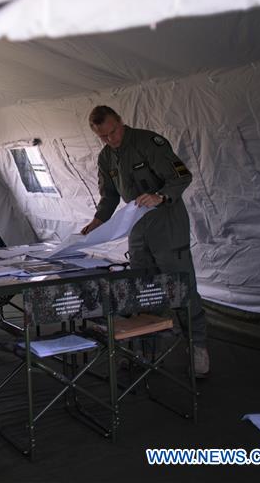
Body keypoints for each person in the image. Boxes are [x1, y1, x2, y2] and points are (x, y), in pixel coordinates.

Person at [81, 105, 209, 377]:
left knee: (181, 287)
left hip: (166, 221)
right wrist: (97, 221)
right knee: (143, 289)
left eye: (113, 132)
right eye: (103, 136)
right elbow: (109, 197)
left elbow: (181, 176)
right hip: (137, 226)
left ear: (121, 122)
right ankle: (149, 351)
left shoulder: (148, 142)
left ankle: (197, 347)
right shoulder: (106, 158)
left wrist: (160, 196)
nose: (111, 139)